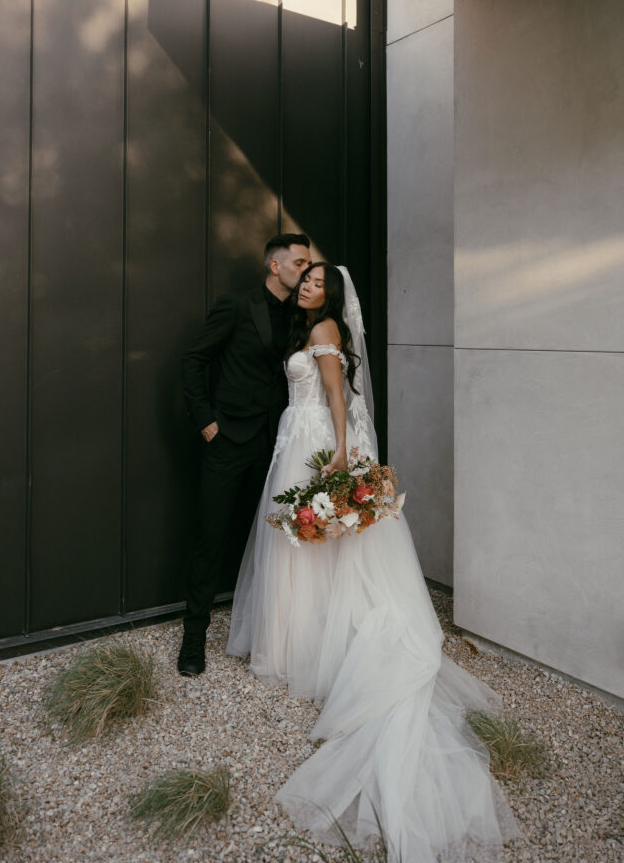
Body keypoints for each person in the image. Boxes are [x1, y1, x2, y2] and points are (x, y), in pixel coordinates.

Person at [227, 263, 520, 863]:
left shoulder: (324, 330)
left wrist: (338, 456)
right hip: (296, 434)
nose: (308, 286)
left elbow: (336, 394)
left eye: (315, 281)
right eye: (303, 279)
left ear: (330, 295)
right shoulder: (306, 327)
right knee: (300, 544)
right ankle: (297, 639)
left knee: (307, 541)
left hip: (316, 441)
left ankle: (306, 643)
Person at [178, 234, 311, 676]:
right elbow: (194, 358)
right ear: (275, 266)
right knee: (209, 537)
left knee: (274, 540)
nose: (304, 269)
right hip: (229, 438)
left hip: (278, 444)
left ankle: (267, 637)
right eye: (298, 262)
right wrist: (206, 422)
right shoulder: (236, 306)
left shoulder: (302, 315)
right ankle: (193, 640)